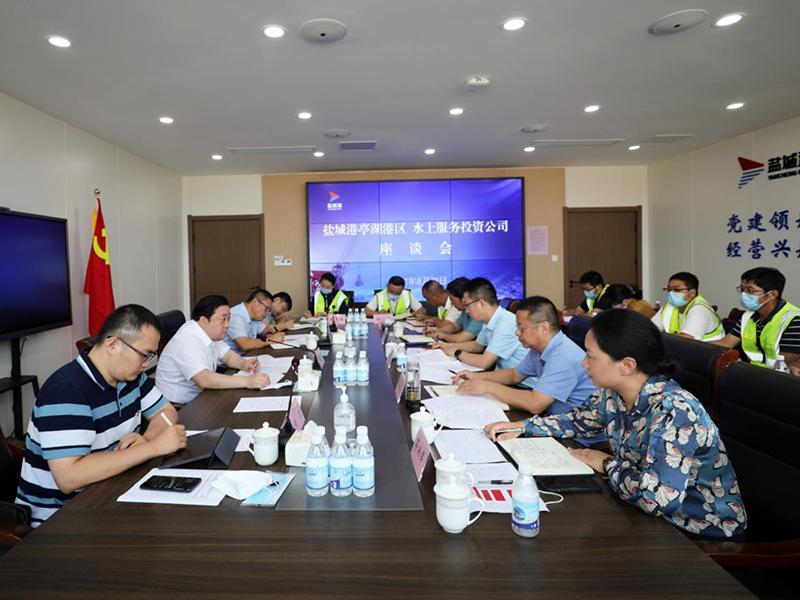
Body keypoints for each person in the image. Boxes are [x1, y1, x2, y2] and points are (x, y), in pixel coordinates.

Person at [486, 309, 747, 539]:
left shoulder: (675, 410)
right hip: (641, 510)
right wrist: (523, 427)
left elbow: (657, 499)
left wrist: (605, 463)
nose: (583, 363)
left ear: (626, 365)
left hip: (698, 526)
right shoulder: (614, 393)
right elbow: (579, 421)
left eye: (591, 356)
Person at [16, 305, 187, 526]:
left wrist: (147, 438)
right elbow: (69, 477)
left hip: (111, 492)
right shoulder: (66, 390)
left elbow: (165, 412)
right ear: (113, 344)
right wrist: (153, 448)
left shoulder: (131, 376)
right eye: (144, 355)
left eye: (151, 356)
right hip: (62, 519)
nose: (146, 364)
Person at [454, 296, 602, 444]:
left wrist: (488, 387)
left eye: (521, 327)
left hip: (578, 437)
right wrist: (476, 377)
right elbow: (514, 374)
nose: (517, 333)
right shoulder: (540, 348)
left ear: (543, 328)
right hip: (552, 423)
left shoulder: (563, 356)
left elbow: (535, 404)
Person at [156, 295, 270, 407]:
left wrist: (244, 363)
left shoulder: (209, 332)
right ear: (204, 320)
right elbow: (204, 379)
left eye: (228, 319)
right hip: (180, 406)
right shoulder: (187, 340)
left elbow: (227, 356)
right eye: (223, 319)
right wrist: (247, 381)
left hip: (202, 395)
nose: (227, 325)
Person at [433, 277, 529, 375]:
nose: (466, 310)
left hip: (520, 382)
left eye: (467, 305)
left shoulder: (505, 323)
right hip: (502, 375)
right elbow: (477, 346)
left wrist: (456, 352)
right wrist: (448, 346)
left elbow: (484, 362)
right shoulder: (489, 320)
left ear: (481, 303)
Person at [714, 267, 800, 374]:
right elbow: (725, 343)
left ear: (772, 294)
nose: (744, 295)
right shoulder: (748, 316)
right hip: (752, 373)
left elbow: (785, 364)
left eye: (751, 291)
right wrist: (696, 346)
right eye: (742, 290)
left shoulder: (794, 320)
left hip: (776, 377)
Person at [650, 272, 723, 341]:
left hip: (710, 349)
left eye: (677, 290)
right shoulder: (669, 306)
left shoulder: (699, 309)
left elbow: (686, 339)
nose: (671, 293)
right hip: (679, 347)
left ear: (692, 293)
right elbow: (651, 329)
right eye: (669, 289)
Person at [223, 289, 285, 354]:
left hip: (248, 355)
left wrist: (269, 335)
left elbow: (265, 330)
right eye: (266, 309)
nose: (267, 314)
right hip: (233, 358)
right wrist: (271, 340)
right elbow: (245, 344)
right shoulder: (236, 316)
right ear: (256, 303)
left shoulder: (254, 316)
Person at [426, 277, 484, 342]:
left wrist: (441, 335)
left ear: (463, 299)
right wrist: (436, 331)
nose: (452, 303)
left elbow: (461, 339)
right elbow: (454, 327)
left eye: (452, 300)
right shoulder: (464, 312)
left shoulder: (478, 314)